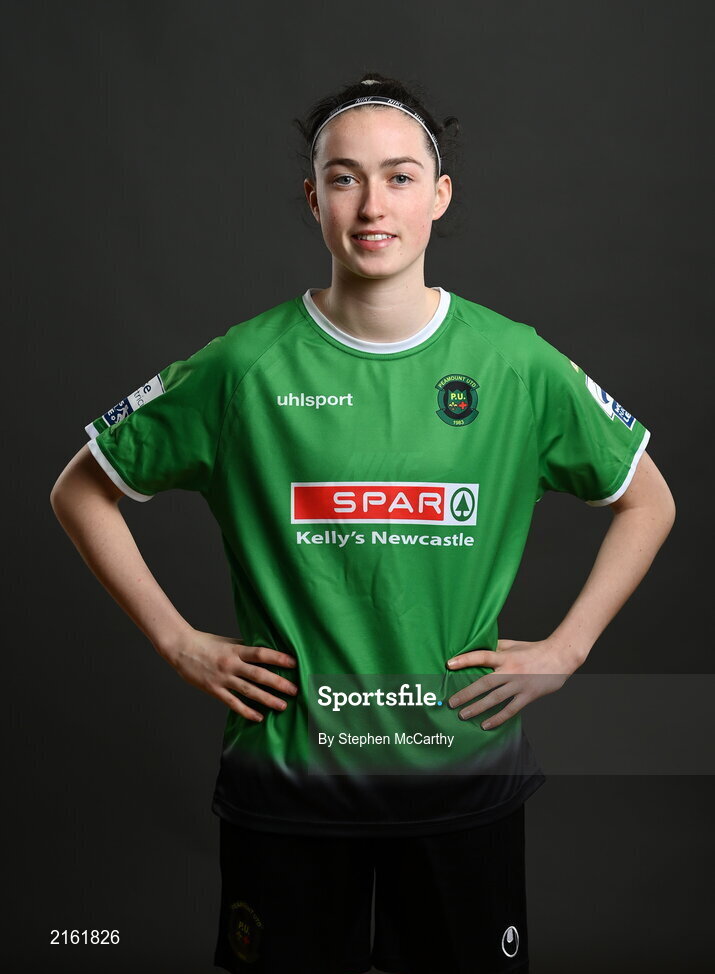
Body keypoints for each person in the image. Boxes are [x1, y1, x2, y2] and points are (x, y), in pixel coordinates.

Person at [50, 71, 675, 974]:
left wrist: (568, 647)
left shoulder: (513, 363)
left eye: (399, 175)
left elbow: (647, 497)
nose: (372, 203)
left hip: (461, 782)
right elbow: (80, 488)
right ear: (313, 199)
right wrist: (177, 641)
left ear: (439, 195)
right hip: (289, 785)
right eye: (344, 178)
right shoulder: (243, 368)